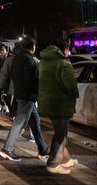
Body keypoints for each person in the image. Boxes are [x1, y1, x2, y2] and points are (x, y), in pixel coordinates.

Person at [0, 36, 48, 162]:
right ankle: (7, 149)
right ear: (32, 47)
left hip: (20, 94)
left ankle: (43, 150)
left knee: (35, 123)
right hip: (28, 96)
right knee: (19, 123)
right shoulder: (29, 60)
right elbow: (31, 80)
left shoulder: (16, 59)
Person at [38, 40, 79, 175]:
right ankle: (53, 163)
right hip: (61, 103)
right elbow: (71, 85)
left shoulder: (43, 62)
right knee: (60, 134)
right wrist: (75, 95)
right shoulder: (64, 63)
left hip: (47, 101)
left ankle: (65, 159)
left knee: (61, 131)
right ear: (65, 50)